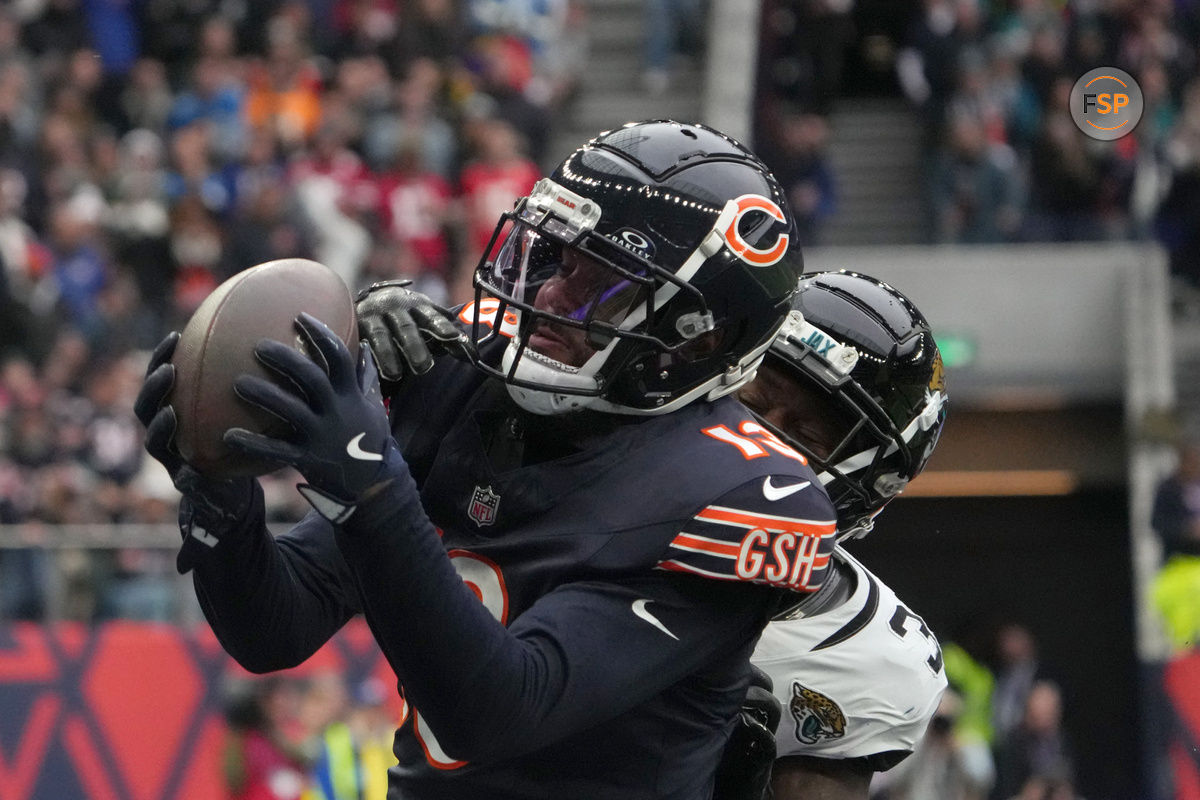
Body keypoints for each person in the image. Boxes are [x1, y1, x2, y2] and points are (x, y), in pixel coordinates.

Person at [135, 120, 839, 798]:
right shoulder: (465, 380)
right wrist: (217, 493)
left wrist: (370, 482)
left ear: (694, 341)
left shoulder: (741, 495)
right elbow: (272, 628)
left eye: (605, 283)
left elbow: (496, 709)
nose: (552, 295)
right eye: (557, 258)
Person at [725, 270, 951, 800]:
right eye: (753, 402)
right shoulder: (587, 486)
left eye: (804, 434)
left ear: (871, 483)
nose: (759, 439)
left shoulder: (860, 657)